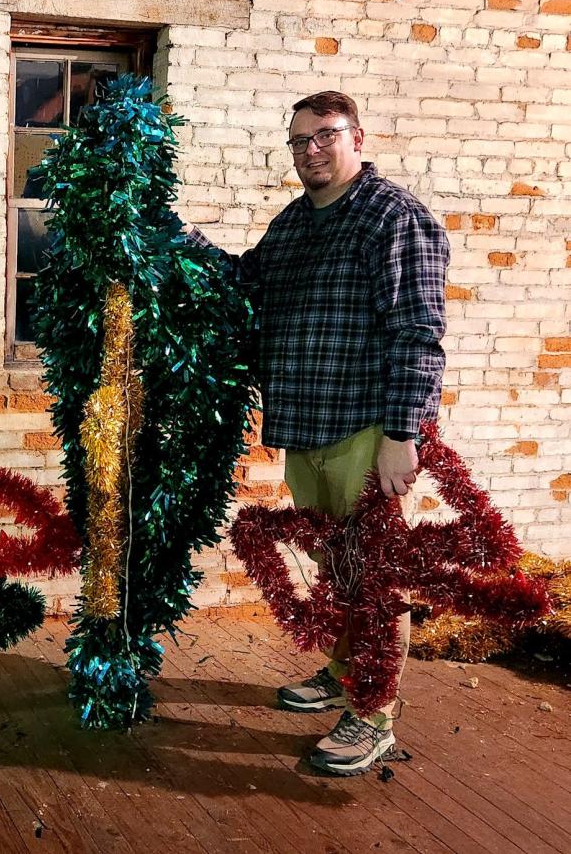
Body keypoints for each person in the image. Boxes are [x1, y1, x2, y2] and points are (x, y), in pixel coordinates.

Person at [191, 91, 450, 776]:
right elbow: (247, 282)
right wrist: (180, 242)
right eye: (298, 139)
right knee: (340, 573)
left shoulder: (393, 219)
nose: (310, 150)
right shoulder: (297, 222)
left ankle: (372, 715)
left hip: (366, 428)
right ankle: (343, 674)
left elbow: (418, 332)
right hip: (306, 426)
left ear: (356, 137)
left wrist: (403, 432)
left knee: (374, 576)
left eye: (324, 136)